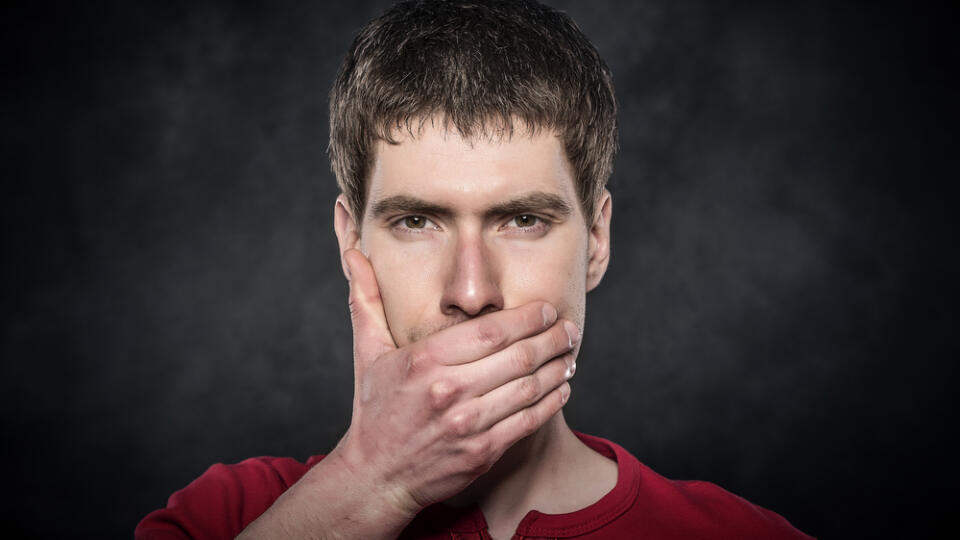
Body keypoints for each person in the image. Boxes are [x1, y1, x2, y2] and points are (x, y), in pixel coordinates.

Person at [137, 1, 813, 538]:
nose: (471, 292)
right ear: (353, 245)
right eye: (416, 221)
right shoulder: (226, 518)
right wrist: (370, 483)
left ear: (597, 240)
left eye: (523, 220)